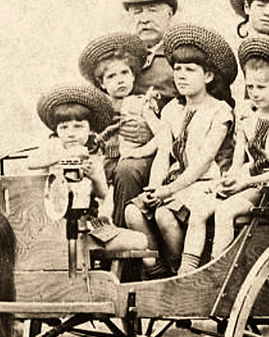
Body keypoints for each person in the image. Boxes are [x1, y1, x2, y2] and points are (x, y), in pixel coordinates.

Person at [124, 24, 237, 276]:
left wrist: (167, 192)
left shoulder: (219, 111)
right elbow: (164, 153)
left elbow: (203, 162)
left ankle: (180, 273)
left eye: (190, 70)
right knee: (133, 212)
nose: (181, 76)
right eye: (177, 70)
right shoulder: (172, 110)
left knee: (164, 214)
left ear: (208, 76)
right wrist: (155, 187)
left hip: (204, 184)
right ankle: (158, 270)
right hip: (172, 184)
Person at [189, 36, 269, 265]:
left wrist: (245, 183)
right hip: (248, 182)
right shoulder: (246, 119)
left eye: (261, 87)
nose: (254, 93)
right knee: (199, 209)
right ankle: (187, 270)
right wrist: (229, 180)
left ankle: (218, 270)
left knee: (225, 212)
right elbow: (237, 163)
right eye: (250, 87)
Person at [29, 83, 152, 257]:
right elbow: (31, 162)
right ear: (56, 130)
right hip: (51, 226)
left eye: (78, 126)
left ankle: (149, 277)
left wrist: (95, 177)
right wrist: (61, 158)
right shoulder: (53, 148)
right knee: (139, 243)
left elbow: (103, 194)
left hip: (87, 227)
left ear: (91, 130)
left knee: (141, 241)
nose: (71, 133)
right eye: (64, 127)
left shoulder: (92, 159)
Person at [112, 0, 181, 226]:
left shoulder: (180, 59)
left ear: (170, 13)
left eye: (153, 10)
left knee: (127, 171)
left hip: (168, 152)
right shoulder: (120, 61)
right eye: (137, 11)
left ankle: (123, 259)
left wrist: (152, 130)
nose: (144, 18)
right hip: (120, 149)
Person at [77, 32, 162, 185]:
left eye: (124, 73)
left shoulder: (141, 104)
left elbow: (162, 134)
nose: (120, 80)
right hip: (104, 164)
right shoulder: (101, 108)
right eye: (111, 76)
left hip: (132, 160)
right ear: (102, 83)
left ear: (133, 76)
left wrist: (142, 151)